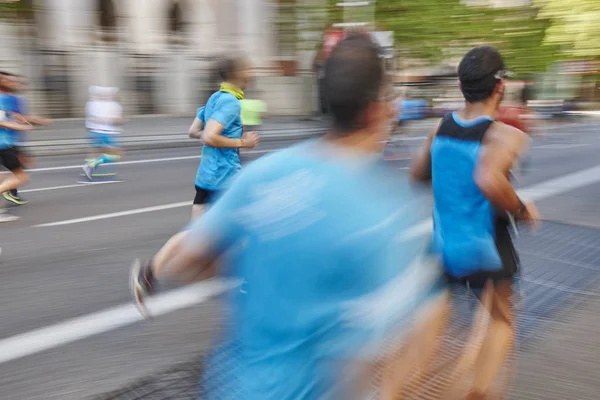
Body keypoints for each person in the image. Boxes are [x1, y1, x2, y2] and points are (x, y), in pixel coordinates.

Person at [130, 33, 448, 399]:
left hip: (236, 388)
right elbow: (404, 344)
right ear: (379, 111)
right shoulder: (388, 210)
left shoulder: (264, 174)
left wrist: (266, 257)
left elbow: (189, 260)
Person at [410, 46, 540, 400]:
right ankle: (479, 392)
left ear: (461, 84)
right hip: (487, 248)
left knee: (432, 323)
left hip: (444, 245)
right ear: (500, 86)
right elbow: (489, 179)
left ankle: (401, 388)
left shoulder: (440, 128)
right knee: (501, 321)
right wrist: (522, 209)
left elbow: (418, 174)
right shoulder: (505, 135)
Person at [0, 72, 50, 205]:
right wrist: (19, 127)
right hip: (4, 143)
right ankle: (9, 189)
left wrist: (36, 120)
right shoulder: (2, 99)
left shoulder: (14, 99)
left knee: (24, 165)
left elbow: (18, 116)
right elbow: (3, 120)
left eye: (14, 81)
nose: (14, 83)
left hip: (11, 142)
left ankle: (10, 189)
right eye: (9, 81)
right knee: (19, 176)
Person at [82, 86, 124, 181]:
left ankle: (92, 173)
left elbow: (92, 118)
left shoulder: (90, 104)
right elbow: (115, 121)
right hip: (107, 134)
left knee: (95, 153)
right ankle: (91, 166)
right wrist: (120, 120)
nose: (118, 96)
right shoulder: (115, 105)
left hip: (93, 132)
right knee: (117, 154)